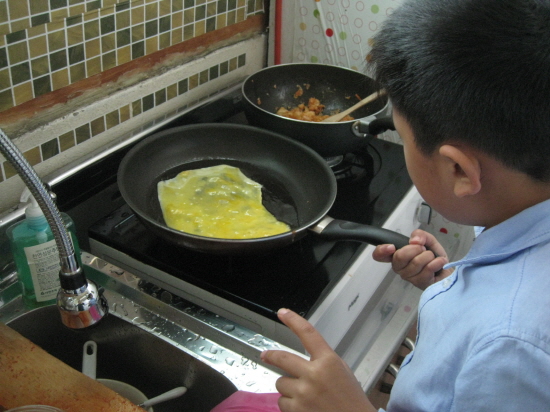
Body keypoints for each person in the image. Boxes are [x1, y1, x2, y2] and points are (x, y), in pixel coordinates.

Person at [260, 0, 550, 411]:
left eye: (400, 136)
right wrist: (453, 282)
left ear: (459, 171)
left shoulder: (512, 349)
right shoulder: (522, 212)